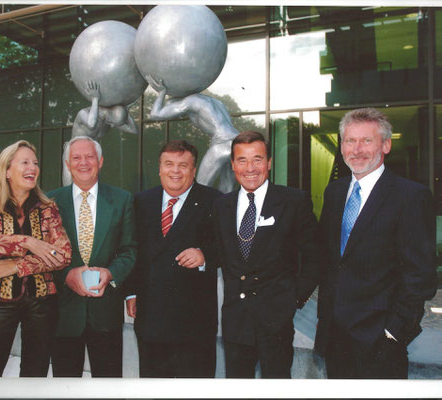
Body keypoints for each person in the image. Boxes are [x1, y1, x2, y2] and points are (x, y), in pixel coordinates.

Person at [314, 108, 437, 379]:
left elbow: (421, 277)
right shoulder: (334, 192)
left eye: (366, 141)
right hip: (334, 338)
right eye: (349, 141)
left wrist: (393, 332)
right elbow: (332, 262)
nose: (356, 149)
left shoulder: (411, 196)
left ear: (386, 145)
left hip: (380, 344)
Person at [212, 130, 320, 378]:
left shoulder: (293, 201)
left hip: (276, 322)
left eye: (257, 159)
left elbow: (315, 257)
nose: (250, 168)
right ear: (232, 164)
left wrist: (293, 299)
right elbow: (220, 252)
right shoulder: (221, 206)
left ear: (269, 163)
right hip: (235, 323)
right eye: (242, 160)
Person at [0, 140, 71, 376]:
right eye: (24, 162)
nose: (32, 168)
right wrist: (27, 242)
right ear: (6, 170)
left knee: (35, 375)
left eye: (35, 163)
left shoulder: (47, 208)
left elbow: (62, 254)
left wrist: (17, 266)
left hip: (43, 302)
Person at [125, 140, 221, 378]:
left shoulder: (215, 201)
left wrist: (205, 255)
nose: (175, 171)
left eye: (183, 165)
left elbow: (230, 247)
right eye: (168, 164)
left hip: (194, 324)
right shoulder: (141, 202)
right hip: (151, 319)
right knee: (153, 390)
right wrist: (131, 292)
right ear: (159, 168)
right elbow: (131, 249)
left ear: (194, 170)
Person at [49, 136, 137, 377]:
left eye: (89, 157)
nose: (83, 163)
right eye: (76, 158)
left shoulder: (122, 199)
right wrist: (65, 275)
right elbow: (43, 254)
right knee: (65, 388)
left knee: (108, 387)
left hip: (105, 312)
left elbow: (129, 249)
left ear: (100, 161)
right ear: (68, 164)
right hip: (64, 313)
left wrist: (111, 273)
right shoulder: (49, 202)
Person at [147, 75, 237, 193]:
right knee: (227, 188)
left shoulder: (190, 101)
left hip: (222, 143)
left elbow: (155, 114)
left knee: (200, 188)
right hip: (236, 142)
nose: (179, 115)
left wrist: (161, 92)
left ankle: (201, 212)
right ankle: (225, 211)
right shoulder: (215, 102)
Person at [61, 81, 137, 186]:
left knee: (93, 184)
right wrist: (95, 99)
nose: (112, 125)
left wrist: (126, 111)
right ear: (109, 113)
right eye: (112, 122)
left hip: (91, 154)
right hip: (74, 151)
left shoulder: (109, 121)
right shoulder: (84, 113)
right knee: (69, 184)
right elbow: (91, 124)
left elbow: (133, 130)